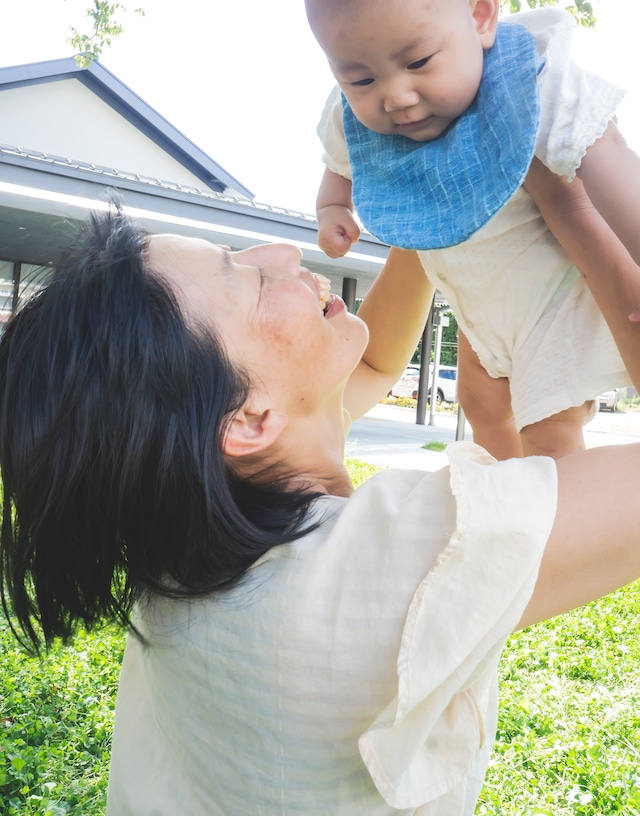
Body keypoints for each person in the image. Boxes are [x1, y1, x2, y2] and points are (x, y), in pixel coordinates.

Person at [2, 190, 640, 815]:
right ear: (249, 419)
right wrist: (576, 214)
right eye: (246, 278)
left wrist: (436, 218)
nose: (281, 252)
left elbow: (378, 358)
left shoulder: (184, 528)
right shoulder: (387, 564)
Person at [302, 0, 640, 460]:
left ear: (480, 15)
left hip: (551, 307)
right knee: (480, 404)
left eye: (417, 62)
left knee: (549, 436)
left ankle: (558, 521)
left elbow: (605, 155)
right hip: (479, 313)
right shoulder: (353, 116)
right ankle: (500, 494)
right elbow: (341, 165)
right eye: (361, 80)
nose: (396, 97)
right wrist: (333, 208)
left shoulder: (529, 79)